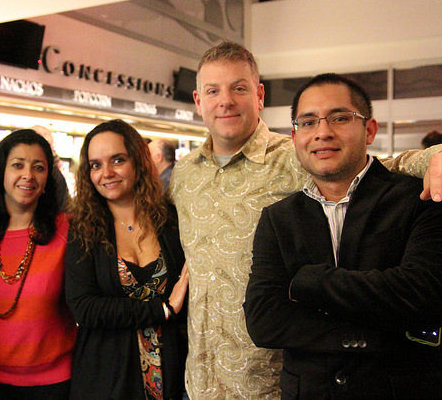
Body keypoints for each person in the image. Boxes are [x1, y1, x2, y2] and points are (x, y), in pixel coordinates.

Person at [169, 41, 442, 398]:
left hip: (273, 384)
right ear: (198, 100)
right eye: (213, 91)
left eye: (239, 88)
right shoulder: (185, 173)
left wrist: (436, 157)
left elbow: (377, 168)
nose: (226, 101)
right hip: (201, 380)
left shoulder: (296, 155)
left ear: (260, 95)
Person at [244, 73, 442, 398]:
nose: (323, 132)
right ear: (294, 137)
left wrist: (312, 282)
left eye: (339, 118)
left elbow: (422, 295)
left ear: (370, 130)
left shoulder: (417, 200)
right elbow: (264, 320)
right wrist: (370, 333)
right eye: (308, 123)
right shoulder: (278, 218)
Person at [65, 119, 189, 399]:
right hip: (106, 379)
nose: (106, 173)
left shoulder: (169, 220)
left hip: (169, 376)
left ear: (138, 161)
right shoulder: (84, 228)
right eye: (95, 165)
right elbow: (84, 308)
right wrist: (163, 310)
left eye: (117, 160)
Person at [0, 129, 76, 399]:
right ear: (1, 172)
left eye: (38, 167)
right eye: (18, 165)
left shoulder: (67, 230)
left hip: (53, 383)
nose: (28, 175)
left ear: (47, 178)